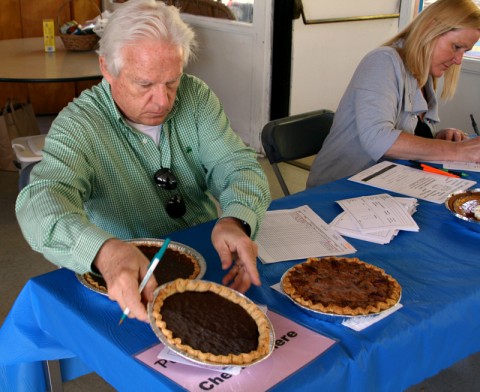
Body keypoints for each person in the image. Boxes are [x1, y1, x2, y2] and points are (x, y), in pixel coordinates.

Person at [15, 0, 270, 323]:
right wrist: (104, 253)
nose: (163, 101)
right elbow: (41, 201)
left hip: (206, 254)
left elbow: (238, 165)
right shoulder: (78, 125)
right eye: (145, 84)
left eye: (172, 82)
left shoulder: (197, 97)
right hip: (127, 275)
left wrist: (236, 220)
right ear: (107, 68)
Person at [307, 0, 480, 188]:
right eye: (456, 47)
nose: (458, 60)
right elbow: (379, 139)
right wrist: (456, 151)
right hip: (337, 189)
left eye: (466, 51)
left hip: (384, 185)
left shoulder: (424, 75)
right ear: (431, 29)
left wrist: (439, 138)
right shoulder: (383, 61)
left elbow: (408, 133)